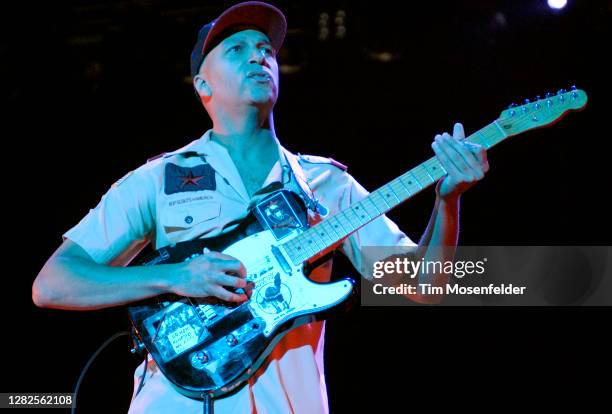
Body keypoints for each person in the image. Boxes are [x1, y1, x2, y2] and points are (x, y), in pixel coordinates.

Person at [32, 2, 489, 413]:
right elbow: (53, 284)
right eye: (237, 49)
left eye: (265, 48)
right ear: (202, 83)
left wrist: (447, 202)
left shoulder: (326, 183)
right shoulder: (158, 179)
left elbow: (424, 287)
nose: (258, 55)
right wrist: (174, 276)